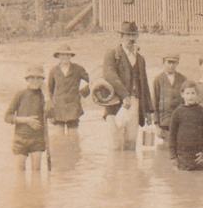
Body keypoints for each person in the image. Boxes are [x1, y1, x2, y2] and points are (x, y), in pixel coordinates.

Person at [102, 21, 153, 151]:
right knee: (115, 145)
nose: (131, 39)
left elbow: (144, 85)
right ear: (121, 37)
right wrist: (124, 95)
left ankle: (129, 169)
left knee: (131, 144)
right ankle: (116, 171)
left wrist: (148, 110)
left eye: (133, 35)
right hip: (114, 104)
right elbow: (109, 75)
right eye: (127, 35)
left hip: (135, 104)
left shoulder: (140, 59)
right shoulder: (112, 55)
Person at [4, 65, 47, 171]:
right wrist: (26, 120)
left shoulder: (44, 96)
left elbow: (52, 114)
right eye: (32, 78)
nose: (35, 81)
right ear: (27, 79)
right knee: (20, 171)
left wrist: (48, 96)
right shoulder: (20, 94)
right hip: (20, 138)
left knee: (36, 171)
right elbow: (7, 117)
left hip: (38, 138)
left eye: (38, 78)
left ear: (42, 80)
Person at [169, 81, 203, 171]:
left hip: (199, 155)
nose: (190, 96)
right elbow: (172, 135)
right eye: (187, 93)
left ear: (197, 94)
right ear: (182, 94)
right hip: (182, 155)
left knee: (199, 180)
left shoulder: (202, 112)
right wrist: (173, 156)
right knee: (184, 180)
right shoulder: (177, 112)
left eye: (193, 93)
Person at [47, 44, 90, 133]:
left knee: (73, 136)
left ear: (71, 56)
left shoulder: (78, 69)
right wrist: (50, 111)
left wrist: (83, 93)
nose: (65, 57)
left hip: (73, 107)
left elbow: (92, 81)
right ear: (58, 56)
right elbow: (50, 91)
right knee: (59, 137)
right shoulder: (53, 70)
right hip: (58, 108)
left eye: (67, 55)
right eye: (62, 55)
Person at [153, 54, 186, 142]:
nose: (171, 65)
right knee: (164, 151)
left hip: (179, 123)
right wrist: (156, 126)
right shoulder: (158, 80)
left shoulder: (183, 79)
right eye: (169, 62)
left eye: (174, 63)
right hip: (164, 123)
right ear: (164, 62)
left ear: (177, 63)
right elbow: (155, 103)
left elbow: (186, 102)